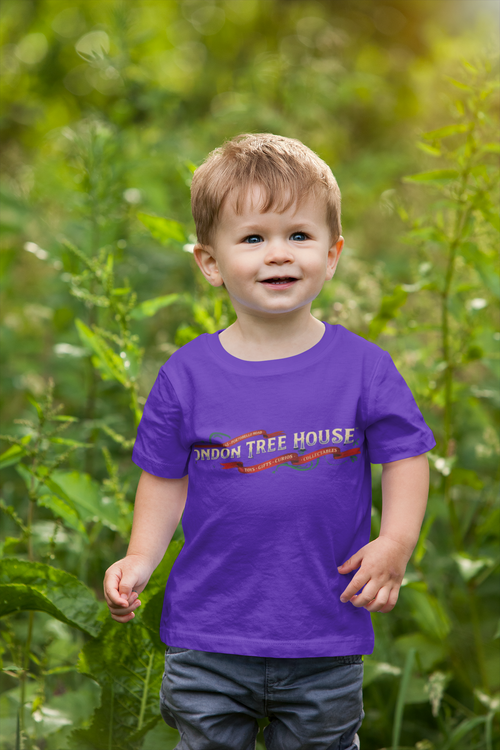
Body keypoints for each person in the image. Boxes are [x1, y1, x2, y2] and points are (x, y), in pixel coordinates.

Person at [103, 133, 435, 750]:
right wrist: (141, 558)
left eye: (299, 235)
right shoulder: (187, 375)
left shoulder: (363, 368)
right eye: (253, 238)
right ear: (210, 262)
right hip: (209, 637)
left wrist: (395, 542)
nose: (278, 253)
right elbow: (166, 476)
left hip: (323, 634)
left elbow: (405, 457)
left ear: (332, 254)